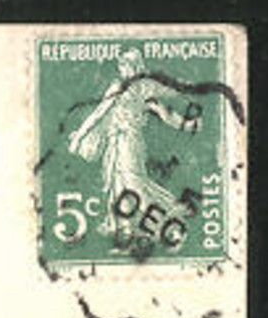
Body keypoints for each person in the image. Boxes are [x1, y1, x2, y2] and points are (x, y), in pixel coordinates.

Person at [67, 47, 203, 238]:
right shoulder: (125, 86)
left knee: (134, 183)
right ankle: (124, 227)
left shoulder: (143, 87)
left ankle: (170, 212)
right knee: (118, 184)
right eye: (121, 64)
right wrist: (80, 135)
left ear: (134, 66)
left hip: (130, 142)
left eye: (125, 64)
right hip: (116, 142)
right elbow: (100, 113)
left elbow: (166, 112)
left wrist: (188, 125)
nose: (122, 68)